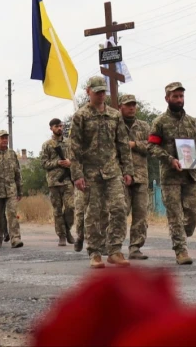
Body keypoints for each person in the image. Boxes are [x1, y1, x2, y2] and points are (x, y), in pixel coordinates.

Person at [70, 76, 134, 268]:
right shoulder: (81, 116)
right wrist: (77, 175)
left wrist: (128, 170)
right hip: (90, 174)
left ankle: (114, 250)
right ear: (88, 91)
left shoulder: (115, 115)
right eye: (96, 91)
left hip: (112, 171)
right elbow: (73, 148)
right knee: (94, 214)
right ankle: (95, 252)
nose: (100, 95)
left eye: (103, 92)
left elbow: (123, 144)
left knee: (119, 208)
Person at [148, 81, 196, 265]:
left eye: (181, 96)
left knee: (193, 213)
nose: (179, 99)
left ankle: (182, 234)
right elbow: (151, 146)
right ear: (167, 99)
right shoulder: (160, 122)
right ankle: (181, 251)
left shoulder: (191, 121)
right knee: (175, 215)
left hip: (189, 175)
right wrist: (169, 159)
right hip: (170, 176)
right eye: (175, 96)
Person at [119, 94, 151, 260]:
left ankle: (135, 248)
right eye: (128, 105)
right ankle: (114, 247)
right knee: (118, 212)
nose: (131, 108)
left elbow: (152, 146)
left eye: (133, 105)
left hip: (141, 176)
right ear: (121, 107)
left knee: (140, 214)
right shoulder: (115, 125)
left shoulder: (144, 126)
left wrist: (135, 144)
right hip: (121, 176)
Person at [41, 118, 75, 246]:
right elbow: (44, 163)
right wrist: (57, 163)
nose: (59, 128)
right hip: (54, 181)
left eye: (61, 126)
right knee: (57, 210)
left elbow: (75, 158)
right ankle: (62, 236)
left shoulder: (69, 142)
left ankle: (67, 229)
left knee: (71, 207)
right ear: (51, 128)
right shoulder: (47, 145)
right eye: (57, 126)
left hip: (67, 180)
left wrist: (69, 162)